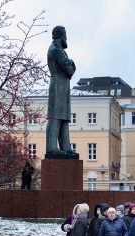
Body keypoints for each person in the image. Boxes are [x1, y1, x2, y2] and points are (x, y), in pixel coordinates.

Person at [46, 26, 77, 156]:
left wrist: (70, 64)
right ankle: (52, 147)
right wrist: (72, 63)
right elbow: (69, 70)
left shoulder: (58, 50)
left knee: (64, 118)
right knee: (56, 117)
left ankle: (65, 147)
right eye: (65, 35)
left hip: (63, 85)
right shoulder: (56, 50)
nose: (66, 38)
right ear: (60, 36)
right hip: (58, 84)